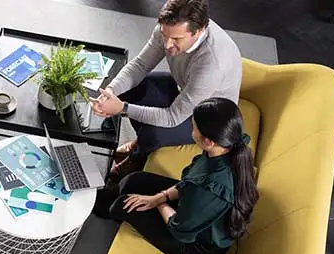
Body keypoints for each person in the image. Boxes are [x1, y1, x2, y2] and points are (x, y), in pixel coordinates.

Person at [90, 0, 242, 182]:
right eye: (164, 35)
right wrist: (111, 92)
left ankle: (137, 157)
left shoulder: (211, 63)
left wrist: (122, 108)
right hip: (184, 90)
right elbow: (140, 64)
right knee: (134, 88)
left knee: (153, 132)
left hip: (208, 118)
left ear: (199, 31)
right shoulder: (168, 29)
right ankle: (139, 145)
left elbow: (172, 118)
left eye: (177, 40)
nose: (168, 45)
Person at [96, 97, 258, 254]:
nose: (190, 129)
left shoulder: (209, 189)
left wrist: (158, 203)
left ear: (208, 141)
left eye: (193, 127)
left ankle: (99, 206)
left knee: (122, 205)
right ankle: (96, 197)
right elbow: (189, 184)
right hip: (195, 211)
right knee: (134, 180)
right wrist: (160, 197)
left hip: (195, 244)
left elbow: (180, 229)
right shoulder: (224, 147)